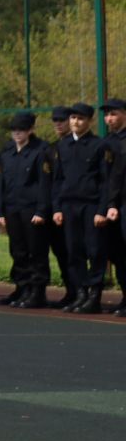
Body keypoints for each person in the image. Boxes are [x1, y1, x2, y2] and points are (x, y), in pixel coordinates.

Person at [49, 102, 112, 315]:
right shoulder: (63, 146)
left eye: (81, 118)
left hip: (91, 205)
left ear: (89, 121)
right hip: (69, 205)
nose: (76, 122)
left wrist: (101, 210)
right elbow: (57, 180)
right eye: (73, 118)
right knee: (73, 251)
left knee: (94, 251)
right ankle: (81, 293)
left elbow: (105, 181)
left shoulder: (99, 145)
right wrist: (57, 208)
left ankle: (94, 296)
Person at [0, 111, 51, 309]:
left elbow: (44, 183)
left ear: (31, 130)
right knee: (18, 251)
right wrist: (0, 211)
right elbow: (1, 183)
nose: (17, 133)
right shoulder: (7, 153)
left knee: (36, 251)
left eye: (22, 130)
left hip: (31, 209)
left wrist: (41, 210)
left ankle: (37, 292)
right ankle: (22, 288)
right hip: (12, 208)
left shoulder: (40, 150)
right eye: (14, 130)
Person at [43, 106, 75, 306]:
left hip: (75, 205)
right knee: (62, 252)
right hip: (56, 209)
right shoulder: (51, 148)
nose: (58, 124)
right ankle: (72, 291)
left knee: (78, 252)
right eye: (55, 121)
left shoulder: (78, 145)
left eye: (62, 120)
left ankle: (84, 291)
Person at [99, 98, 126, 314]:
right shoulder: (107, 141)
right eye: (106, 115)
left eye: (113, 114)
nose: (109, 119)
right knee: (117, 252)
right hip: (113, 204)